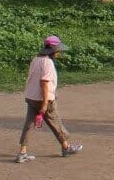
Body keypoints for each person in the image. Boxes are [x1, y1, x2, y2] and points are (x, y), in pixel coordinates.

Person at [15, 35, 83, 163]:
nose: (59, 53)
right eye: (58, 51)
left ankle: (22, 152)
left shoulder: (36, 59)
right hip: (43, 99)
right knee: (55, 122)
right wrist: (45, 103)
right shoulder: (48, 63)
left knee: (29, 124)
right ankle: (66, 147)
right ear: (53, 50)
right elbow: (44, 83)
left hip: (31, 97)